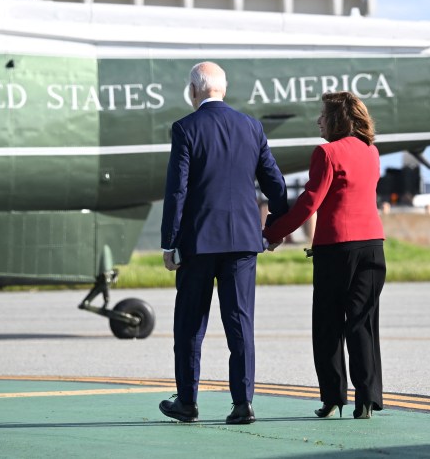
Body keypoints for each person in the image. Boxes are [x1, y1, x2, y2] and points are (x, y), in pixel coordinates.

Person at [159, 61, 288, 425]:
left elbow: (177, 190)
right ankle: (242, 402)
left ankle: (187, 401)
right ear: (224, 89)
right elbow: (274, 184)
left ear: (193, 90)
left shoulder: (185, 128)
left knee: (189, 324)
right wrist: (275, 226)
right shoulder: (252, 127)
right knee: (240, 323)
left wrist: (169, 243)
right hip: (244, 242)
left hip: (199, 242)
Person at [263, 91, 386, 420]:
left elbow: (308, 203)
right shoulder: (371, 152)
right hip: (373, 245)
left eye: (322, 115)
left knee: (328, 325)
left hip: (337, 248)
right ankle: (367, 399)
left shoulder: (327, 152)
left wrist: (272, 234)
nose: (318, 120)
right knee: (363, 324)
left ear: (336, 120)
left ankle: (333, 398)